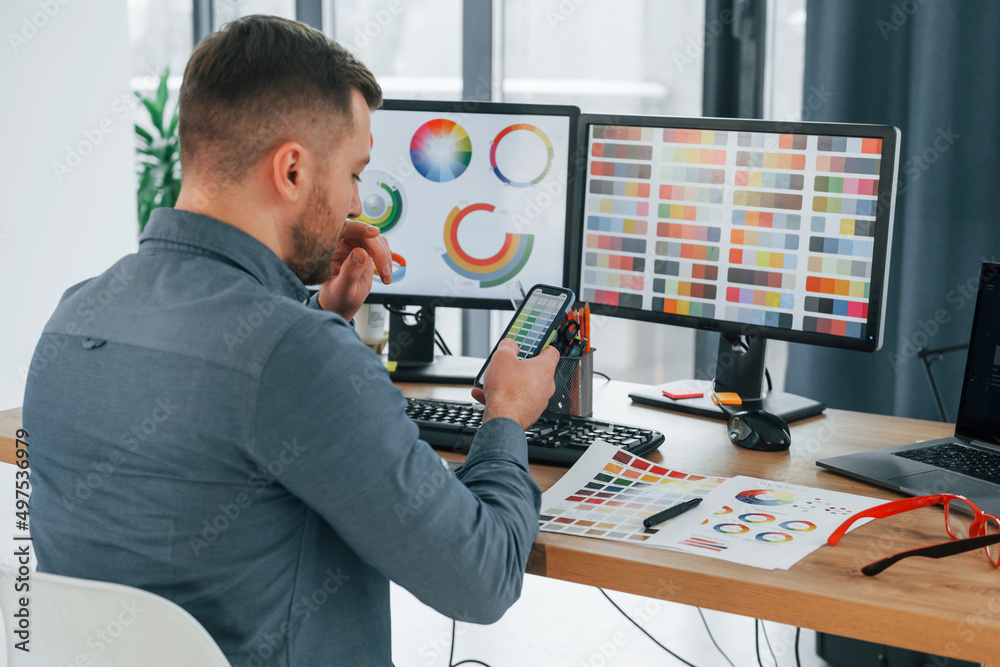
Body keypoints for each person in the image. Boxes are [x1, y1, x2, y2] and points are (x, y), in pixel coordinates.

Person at [24, 15, 558, 667]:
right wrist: (506, 413)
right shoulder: (296, 354)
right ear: (294, 171)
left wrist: (314, 311)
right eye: (355, 174)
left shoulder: (73, 317)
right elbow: (481, 578)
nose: (357, 205)